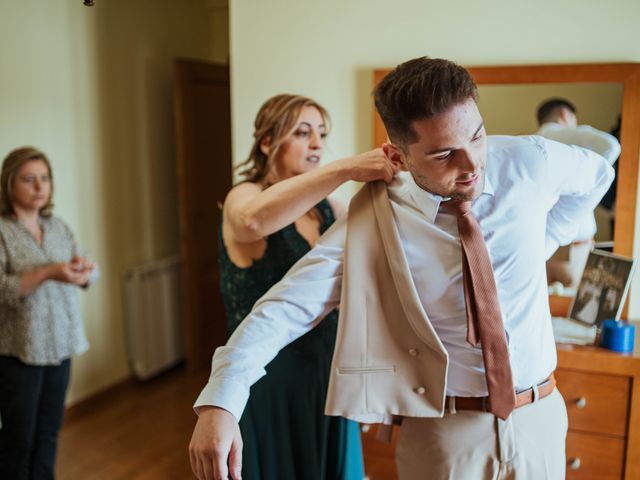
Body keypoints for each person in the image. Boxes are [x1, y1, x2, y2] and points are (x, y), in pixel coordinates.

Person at [189, 58, 614, 480]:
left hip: (540, 418)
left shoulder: (529, 160)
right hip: (444, 434)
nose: (471, 165)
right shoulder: (376, 218)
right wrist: (220, 399)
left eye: (477, 135)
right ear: (399, 155)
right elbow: (284, 307)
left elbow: (598, 175)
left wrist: (545, 239)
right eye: (444, 153)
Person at [193, 93, 396, 480]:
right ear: (268, 142)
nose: (317, 143)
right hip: (269, 379)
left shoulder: (328, 209)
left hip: (326, 371)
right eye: (303, 132)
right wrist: (346, 168)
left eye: (321, 132)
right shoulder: (245, 195)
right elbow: (251, 222)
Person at [0, 147, 97, 479]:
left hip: (61, 345)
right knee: (18, 439)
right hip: (20, 352)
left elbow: (87, 270)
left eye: (44, 178)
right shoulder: (2, 231)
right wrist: (47, 272)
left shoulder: (57, 226)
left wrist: (84, 270)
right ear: (10, 183)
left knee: (49, 432)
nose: (39, 186)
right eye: (29, 179)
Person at [535, 98, 621, 287]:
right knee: (572, 302)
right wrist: (591, 186)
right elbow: (611, 145)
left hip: (541, 239)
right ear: (566, 115)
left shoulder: (534, 143)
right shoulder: (566, 135)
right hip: (572, 244)